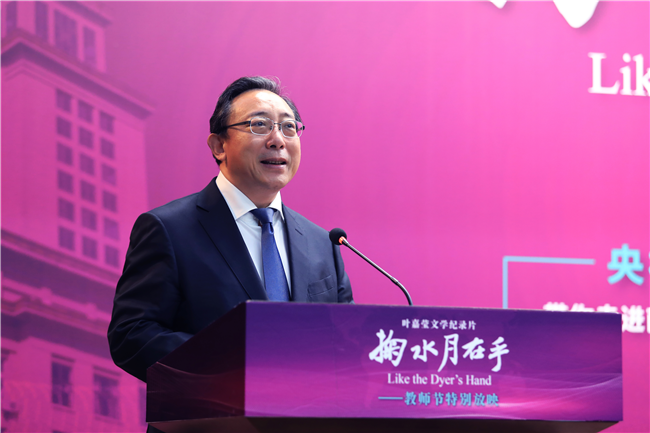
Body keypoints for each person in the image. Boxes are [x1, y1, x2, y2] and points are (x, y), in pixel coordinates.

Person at [108, 76, 353, 386]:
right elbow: (132, 335)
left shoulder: (323, 243)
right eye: (259, 125)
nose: (278, 140)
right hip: (213, 411)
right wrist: (232, 366)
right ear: (219, 146)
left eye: (289, 127)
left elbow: (347, 340)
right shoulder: (168, 229)